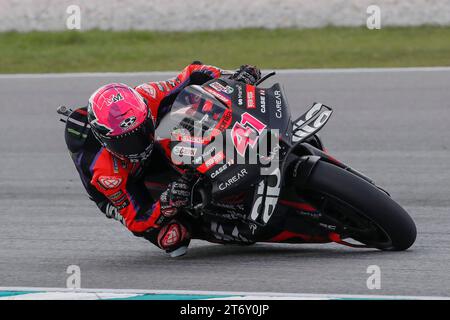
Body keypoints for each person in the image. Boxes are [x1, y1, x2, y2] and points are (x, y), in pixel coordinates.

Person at [64, 62, 261, 257]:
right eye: (125, 143)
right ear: (105, 141)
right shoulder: (106, 172)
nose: (138, 144)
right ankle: (213, 221)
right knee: (173, 238)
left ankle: (240, 164)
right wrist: (167, 203)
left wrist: (232, 78)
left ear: (146, 113)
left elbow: (192, 74)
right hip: (120, 189)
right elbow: (137, 219)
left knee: (188, 141)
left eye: (141, 131)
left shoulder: (148, 96)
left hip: (155, 153)